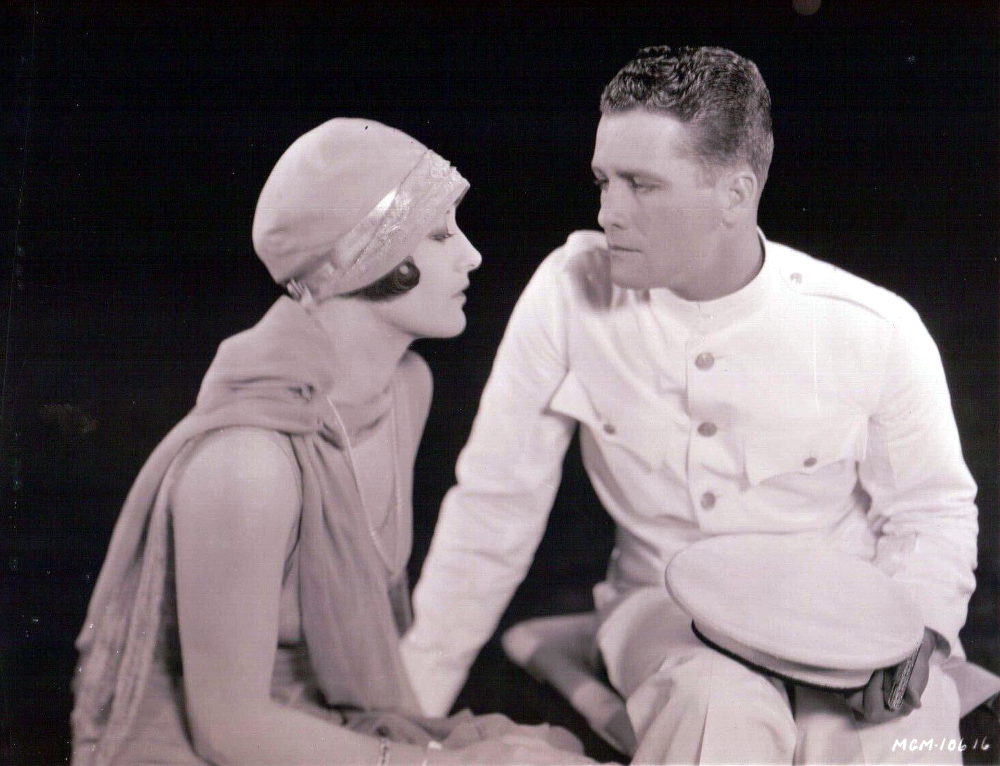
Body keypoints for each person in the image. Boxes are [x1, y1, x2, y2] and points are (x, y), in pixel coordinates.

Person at [400, 47, 980, 764]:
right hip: (664, 612)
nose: (609, 212)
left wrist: (914, 634)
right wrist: (407, 708)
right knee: (715, 712)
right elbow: (495, 505)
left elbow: (932, 511)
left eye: (643, 185)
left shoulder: (873, 327)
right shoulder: (568, 291)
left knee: (892, 745)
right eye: (603, 180)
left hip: (845, 614)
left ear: (735, 194)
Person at [70, 118, 590, 766]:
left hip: (328, 729)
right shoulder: (248, 463)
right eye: (438, 233)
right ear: (367, 257)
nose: (473, 255)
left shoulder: (407, 390)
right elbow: (227, 729)